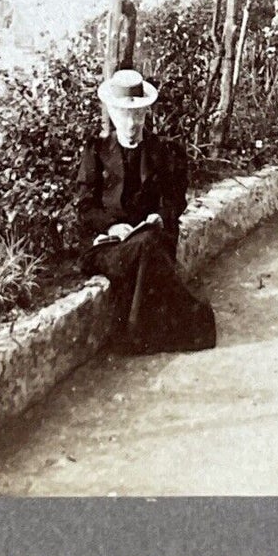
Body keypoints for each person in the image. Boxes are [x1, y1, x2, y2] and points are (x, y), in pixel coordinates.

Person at [77, 67, 217, 355]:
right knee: (146, 249)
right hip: (111, 245)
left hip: (152, 236)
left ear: (146, 114)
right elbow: (85, 207)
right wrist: (111, 227)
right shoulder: (96, 151)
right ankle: (185, 321)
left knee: (149, 244)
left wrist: (161, 216)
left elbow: (175, 200)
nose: (131, 123)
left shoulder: (164, 151)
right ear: (112, 114)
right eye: (124, 114)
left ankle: (134, 333)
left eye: (138, 114)